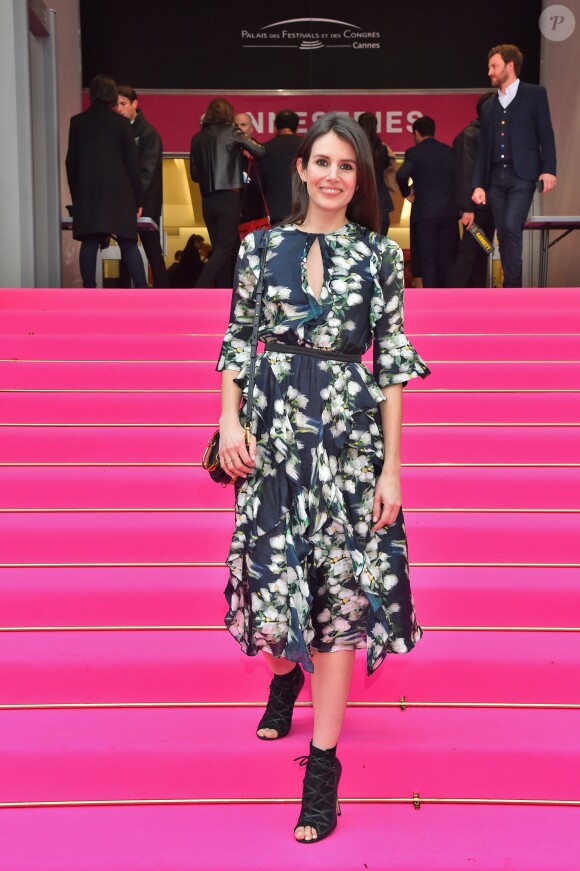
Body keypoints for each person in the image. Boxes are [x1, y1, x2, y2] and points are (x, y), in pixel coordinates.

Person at [216, 113, 430, 843]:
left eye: (349, 166)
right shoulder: (260, 250)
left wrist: (393, 470)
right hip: (273, 441)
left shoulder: (379, 257)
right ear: (300, 168)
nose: (335, 175)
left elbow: (394, 368)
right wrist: (230, 422)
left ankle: (322, 766)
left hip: (347, 444)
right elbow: (238, 340)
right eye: (324, 162)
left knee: (341, 602)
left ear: (359, 179)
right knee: (273, 604)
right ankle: (284, 672)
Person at [472, 44, 557, 287]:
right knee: (503, 229)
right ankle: (512, 285)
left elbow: (546, 134)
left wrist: (549, 168)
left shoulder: (535, 94)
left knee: (511, 224)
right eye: (489, 66)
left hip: (523, 175)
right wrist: (478, 184)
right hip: (495, 178)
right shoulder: (488, 106)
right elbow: (483, 150)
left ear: (510, 66)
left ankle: (512, 286)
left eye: (494, 66)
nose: (489, 71)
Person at [65, 75, 147, 288]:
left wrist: (77, 196)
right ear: (112, 96)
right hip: (120, 194)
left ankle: (89, 290)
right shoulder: (121, 124)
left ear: (92, 95)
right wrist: (138, 199)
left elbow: (70, 162)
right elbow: (132, 164)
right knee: (127, 242)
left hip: (88, 194)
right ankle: (142, 289)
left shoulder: (78, 123)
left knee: (89, 241)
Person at [190, 98, 264, 288]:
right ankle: (199, 287)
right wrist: (241, 149)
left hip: (207, 200)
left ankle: (222, 293)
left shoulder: (197, 138)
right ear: (229, 115)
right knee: (225, 247)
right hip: (228, 197)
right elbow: (260, 150)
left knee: (219, 249)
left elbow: (195, 175)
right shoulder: (232, 132)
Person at [396, 116, 458, 288]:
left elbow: (401, 175)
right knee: (448, 261)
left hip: (425, 215)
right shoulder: (449, 152)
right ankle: (450, 302)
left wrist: (407, 193)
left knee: (428, 260)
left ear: (416, 133)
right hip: (449, 214)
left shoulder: (414, 153)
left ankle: (433, 302)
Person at [116, 85, 168, 288]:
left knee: (153, 250)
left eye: (123, 104)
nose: (119, 108)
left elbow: (148, 171)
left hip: (146, 202)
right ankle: (125, 295)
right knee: (126, 250)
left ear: (135, 104)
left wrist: (135, 199)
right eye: (116, 104)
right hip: (127, 201)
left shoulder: (148, 133)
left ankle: (164, 294)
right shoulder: (120, 130)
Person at [452, 93, 496, 287]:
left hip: (488, 207)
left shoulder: (489, 134)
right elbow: (465, 172)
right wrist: (467, 208)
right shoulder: (469, 134)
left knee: (483, 250)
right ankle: (456, 300)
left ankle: (479, 297)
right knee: (469, 253)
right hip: (474, 209)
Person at [258, 109, 302, 225]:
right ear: (296, 127)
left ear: (275, 126)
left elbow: (258, 184)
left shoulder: (263, 149)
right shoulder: (307, 146)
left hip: (273, 213)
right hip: (302, 211)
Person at [358, 112, 396, 235]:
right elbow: (387, 167)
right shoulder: (383, 149)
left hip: (359, 204)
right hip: (381, 204)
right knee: (379, 247)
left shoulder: (355, 148)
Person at [235, 112, 268, 227]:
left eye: (243, 125)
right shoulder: (227, 154)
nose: (239, 129)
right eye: (236, 125)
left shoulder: (261, 151)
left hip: (258, 211)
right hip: (235, 214)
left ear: (251, 129)